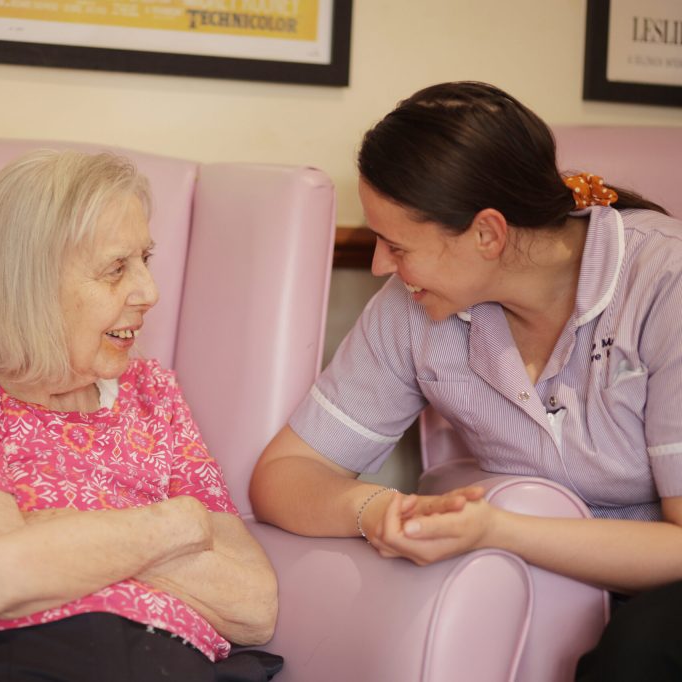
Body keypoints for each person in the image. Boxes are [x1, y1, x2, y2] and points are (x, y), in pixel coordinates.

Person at [249, 81, 682, 681]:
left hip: (656, 596)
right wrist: (376, 509)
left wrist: (498, 530)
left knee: (640, 648)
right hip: (545, 589)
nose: (377, 265)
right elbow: (285, 473)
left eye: (396, 245)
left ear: (487, 234)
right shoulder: (413, 307)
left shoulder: (664, 284)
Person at [0, 149, 281, 682]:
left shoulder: (151, 392)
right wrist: (179, 525)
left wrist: (51, 530)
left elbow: (254, 605)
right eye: (116, 269)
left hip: (172, 664)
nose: (149, 292)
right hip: (3, 657)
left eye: (145, 260)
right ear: (31, 280)